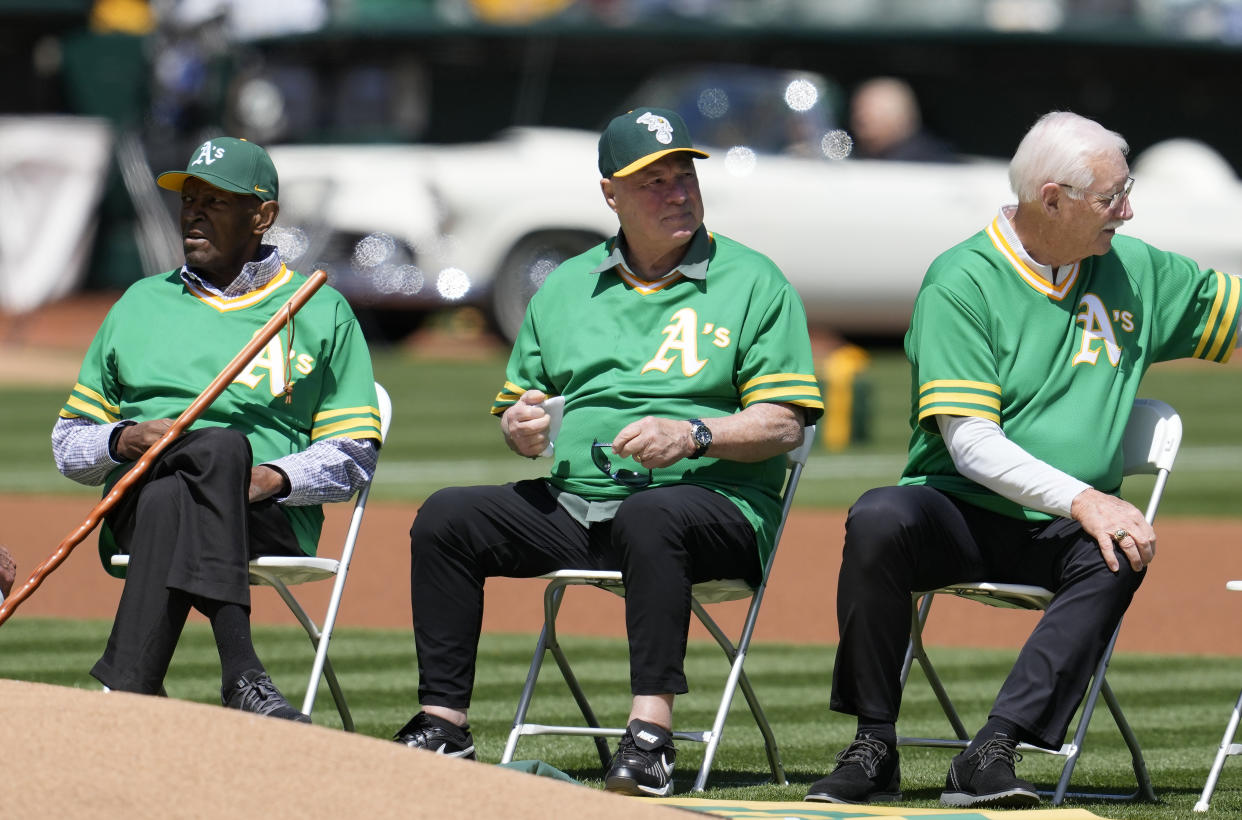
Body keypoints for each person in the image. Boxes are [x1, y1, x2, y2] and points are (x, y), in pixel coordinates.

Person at [806, 110, 1241, 808]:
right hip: (962, 513)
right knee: (880, 515)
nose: (1127, 212)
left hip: (1063, 535)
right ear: (1052, 199)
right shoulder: (963, 280)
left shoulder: (1140, 271)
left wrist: (1091, 509)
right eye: (1112, 197)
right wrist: (1086, 499)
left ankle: (995, 748)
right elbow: (971, 443)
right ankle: (872, 743)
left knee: (1120, 544)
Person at [391, 107, 823, 796]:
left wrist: (693, 434)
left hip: (717, 511)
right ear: (609, 195)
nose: (677, 192)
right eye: (653, 182)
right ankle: (443, 724)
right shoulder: (565, 287)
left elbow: (784, 424)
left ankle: (650, 737)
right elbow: (520, 406)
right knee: (448, 517)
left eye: (684, 176)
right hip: (579, 506)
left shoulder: (752, 281)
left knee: (651, 517)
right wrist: (522, 429)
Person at [52, 136, 381, 722]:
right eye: (189, 199)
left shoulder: (318, 309)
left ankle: (130, 691)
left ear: (263, 216)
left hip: (267, 516)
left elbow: (355, 452)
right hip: (133, 503)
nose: (194, 212)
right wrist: (121, 439)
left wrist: (271, 477)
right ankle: (243, 675)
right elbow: (68, 444)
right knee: (203, 462)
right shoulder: (139, 303)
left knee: (195, 474)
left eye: (216, 201)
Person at [848, 77, 955, 163]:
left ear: (899, 117)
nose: (860, 119)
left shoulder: (929, 162)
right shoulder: (859, 156)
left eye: (869, 112)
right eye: (857, 111)